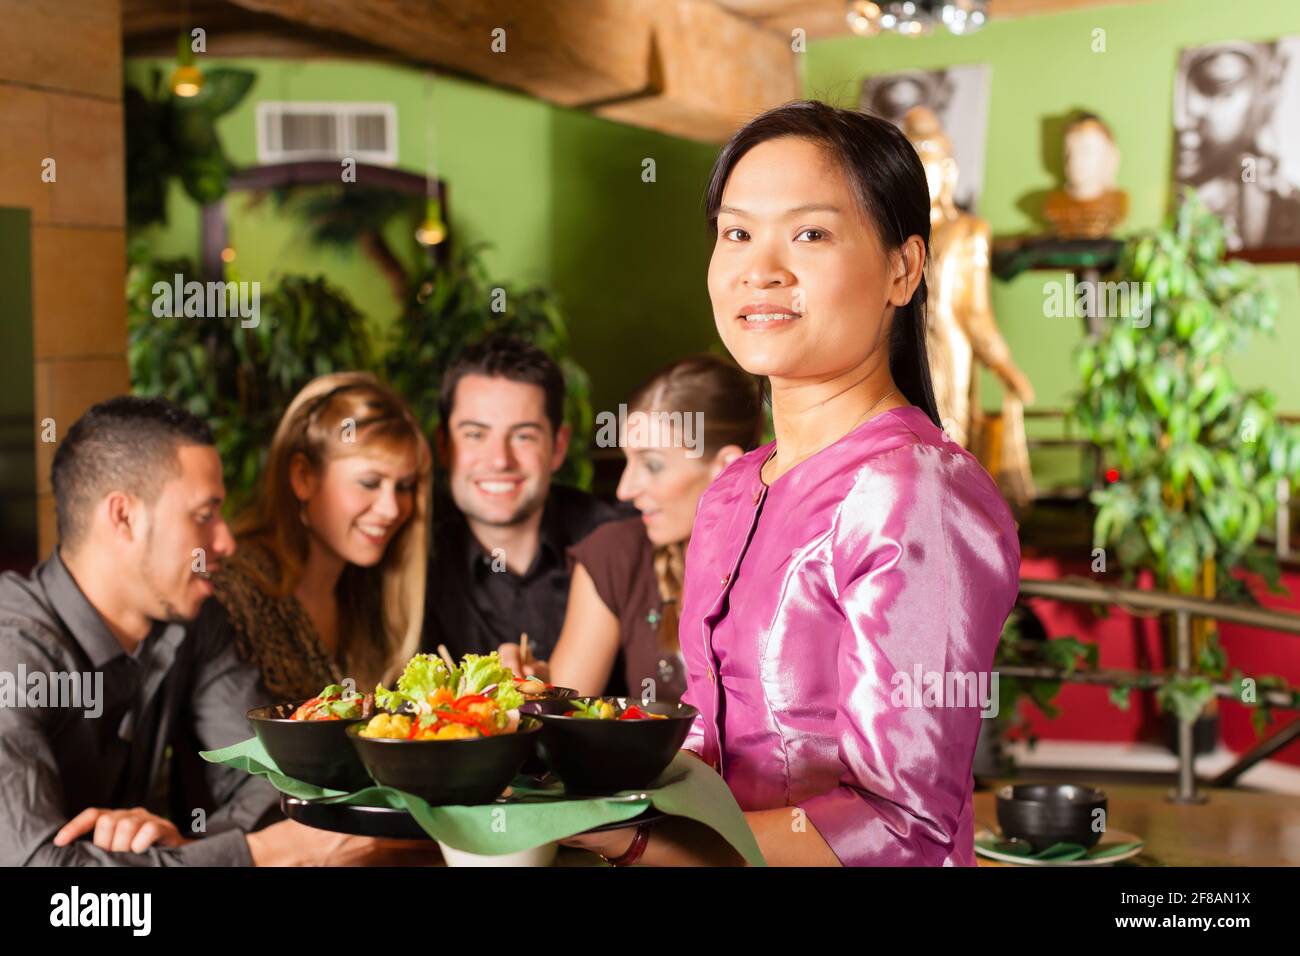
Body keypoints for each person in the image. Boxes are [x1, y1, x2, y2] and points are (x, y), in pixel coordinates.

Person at [565, 101, 1021, 867]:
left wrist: (638, 841)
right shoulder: (734, 488)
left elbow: (906, 827)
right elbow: (708, 751)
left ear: (903, 269)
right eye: (737, 233)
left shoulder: (915, 493)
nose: (759, 269)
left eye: (810, 233)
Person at [0, 396, 431, 865]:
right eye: (204, 516)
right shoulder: (13, 651)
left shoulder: (194, 618)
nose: (226, 541)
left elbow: (264, 778)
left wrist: (193, 853)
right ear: (123, 516)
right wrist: (256, 854)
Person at [548, 355, 763, 700]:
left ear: (726, 467)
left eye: (652, 464)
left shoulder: (788, 561)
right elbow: (562, 711)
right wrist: (529, 685)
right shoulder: (616, 554)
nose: (624, 489)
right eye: (627, 461)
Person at [212, 372, 432, 701]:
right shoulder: (235, 590)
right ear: (303, 477)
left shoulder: (366, 591)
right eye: (370, 483)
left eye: (404, 486)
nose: (391, 509)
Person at [423, 334, 627, 666]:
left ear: (558, 447)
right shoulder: (411, 558)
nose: (500, 460)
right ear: (444, 446)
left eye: (523, 436)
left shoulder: (620, 538)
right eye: (475, 434)